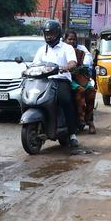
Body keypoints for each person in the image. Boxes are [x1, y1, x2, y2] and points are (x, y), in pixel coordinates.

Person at [32, 19, 79, 148]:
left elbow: (72, 62)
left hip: (61, 80)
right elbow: (35, 64)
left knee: (65, 101)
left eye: (51, 33)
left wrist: (66, 67)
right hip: (44, 81)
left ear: (58, 33)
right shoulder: (42, 50)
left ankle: (72, 133)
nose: (49, 36)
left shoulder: (67, 48)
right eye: (47, 34)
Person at [65, 30, 96, 131]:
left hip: (80, 76)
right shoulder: (62, 49)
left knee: (91, 91)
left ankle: (90, 121)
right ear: (65, 39)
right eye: (69, 39)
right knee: (80, 90)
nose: (72, 41)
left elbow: (88, 59)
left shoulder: (81, 49)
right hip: (66, 77)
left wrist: (84, 66)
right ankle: (80, 118)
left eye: (74, 39)